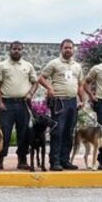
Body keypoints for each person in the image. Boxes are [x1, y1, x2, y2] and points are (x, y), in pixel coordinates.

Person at [38, 38, 84, 171]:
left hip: (72, 102)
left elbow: (80, 84)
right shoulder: (54, 63)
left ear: (73, 50)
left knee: (69, 132)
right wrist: (49, 88)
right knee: (58, 131)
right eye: (66, 48)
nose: (68, 50)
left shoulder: (77, 66)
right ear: (61, 49)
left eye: (70, 48)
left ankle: (65, 160)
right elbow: (41, 78)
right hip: (58, 101)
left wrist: (82, 100)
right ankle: (55, 161)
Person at [0, 41, 37, 170]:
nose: (16, 51)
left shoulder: (28, 66)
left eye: (19, 49)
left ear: (22, 51)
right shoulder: (2, 65)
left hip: (23, 104)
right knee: (4, 133)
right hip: (7, 104)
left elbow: (35, 82)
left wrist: (31, 93)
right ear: (10, 50)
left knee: (24, 133)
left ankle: (22, 160)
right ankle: (0, 159)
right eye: (14, 49)